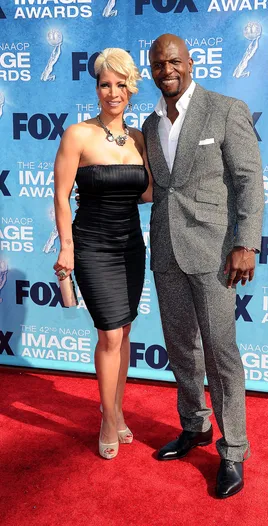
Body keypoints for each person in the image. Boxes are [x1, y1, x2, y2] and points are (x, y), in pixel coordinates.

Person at [142, 34, 264, 498]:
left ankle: (233, 450)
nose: (166, 69)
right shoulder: (151, 124)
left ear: (190, 63)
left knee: (220, 351)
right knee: (180, 348)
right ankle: (195, 424)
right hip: (166, 250)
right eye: (158, 64)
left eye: (173, 61)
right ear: (151, 69)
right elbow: (157, 188)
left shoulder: (225, 108)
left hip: (215, 253)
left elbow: (250, 180)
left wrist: (246, 243)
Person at [53, 48, 152, 460]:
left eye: (121, 84)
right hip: (92, 244)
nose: (113, 92)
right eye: (105, 84)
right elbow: (60, 195)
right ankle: (108, 418)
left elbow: (146, 193)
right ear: (96, 89)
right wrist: (67, 247)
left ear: (131, 88)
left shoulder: (139, 138)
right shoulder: (78, 134)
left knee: (125, 331)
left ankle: (115, 407)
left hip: (131, 244)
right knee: (109, 333)